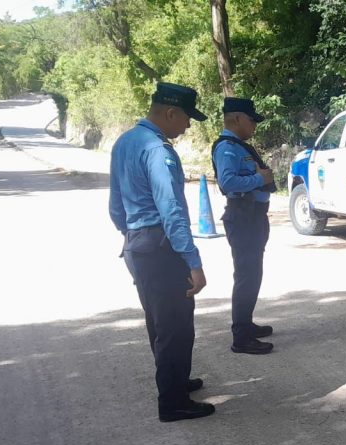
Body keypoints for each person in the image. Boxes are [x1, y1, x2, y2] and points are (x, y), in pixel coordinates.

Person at [109, 82, 214, 422]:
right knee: (176, 326)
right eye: (186, 118)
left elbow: (115, 206)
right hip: (160, 247)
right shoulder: (158, 151)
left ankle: (176, 381)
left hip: (137, 246)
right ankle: (173, 401)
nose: (188, 126)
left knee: (158, 320)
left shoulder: (125, 142)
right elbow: (172, 211)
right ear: (170, 113)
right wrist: (193, 262)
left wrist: (132, 234)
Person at [212, 97, 276, 355]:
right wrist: (259, 178)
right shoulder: (227, 148)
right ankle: (241, 336)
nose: (254, 126)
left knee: (253, 273)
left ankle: (246, 323)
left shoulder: (239, 146)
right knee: (246, 275)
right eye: (251, 120)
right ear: (237, 119)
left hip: (253, 216)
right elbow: (227, 183)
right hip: (243, 216)